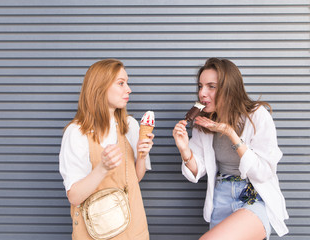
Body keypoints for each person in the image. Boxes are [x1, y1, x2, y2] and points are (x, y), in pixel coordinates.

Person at [173, 58, 289, 240]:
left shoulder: (257, 116)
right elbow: (198, 171)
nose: (202, 93)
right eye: (200, 86)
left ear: (229, 88)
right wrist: (184, 149)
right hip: (221, 197)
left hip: (253, 196)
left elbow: (263, 172)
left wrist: (229, 132)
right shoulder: (202, 123)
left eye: (211, 86)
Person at [59, 59, 154, 240]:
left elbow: (134, 179)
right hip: (94, 232)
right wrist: (103, 168)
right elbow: (75, 197)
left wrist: (142, 156)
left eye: (127, 82)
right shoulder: (76, 133)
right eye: (121, 83)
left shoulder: (130, 126)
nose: (129, 89)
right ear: (99, 88)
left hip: (133, 229)